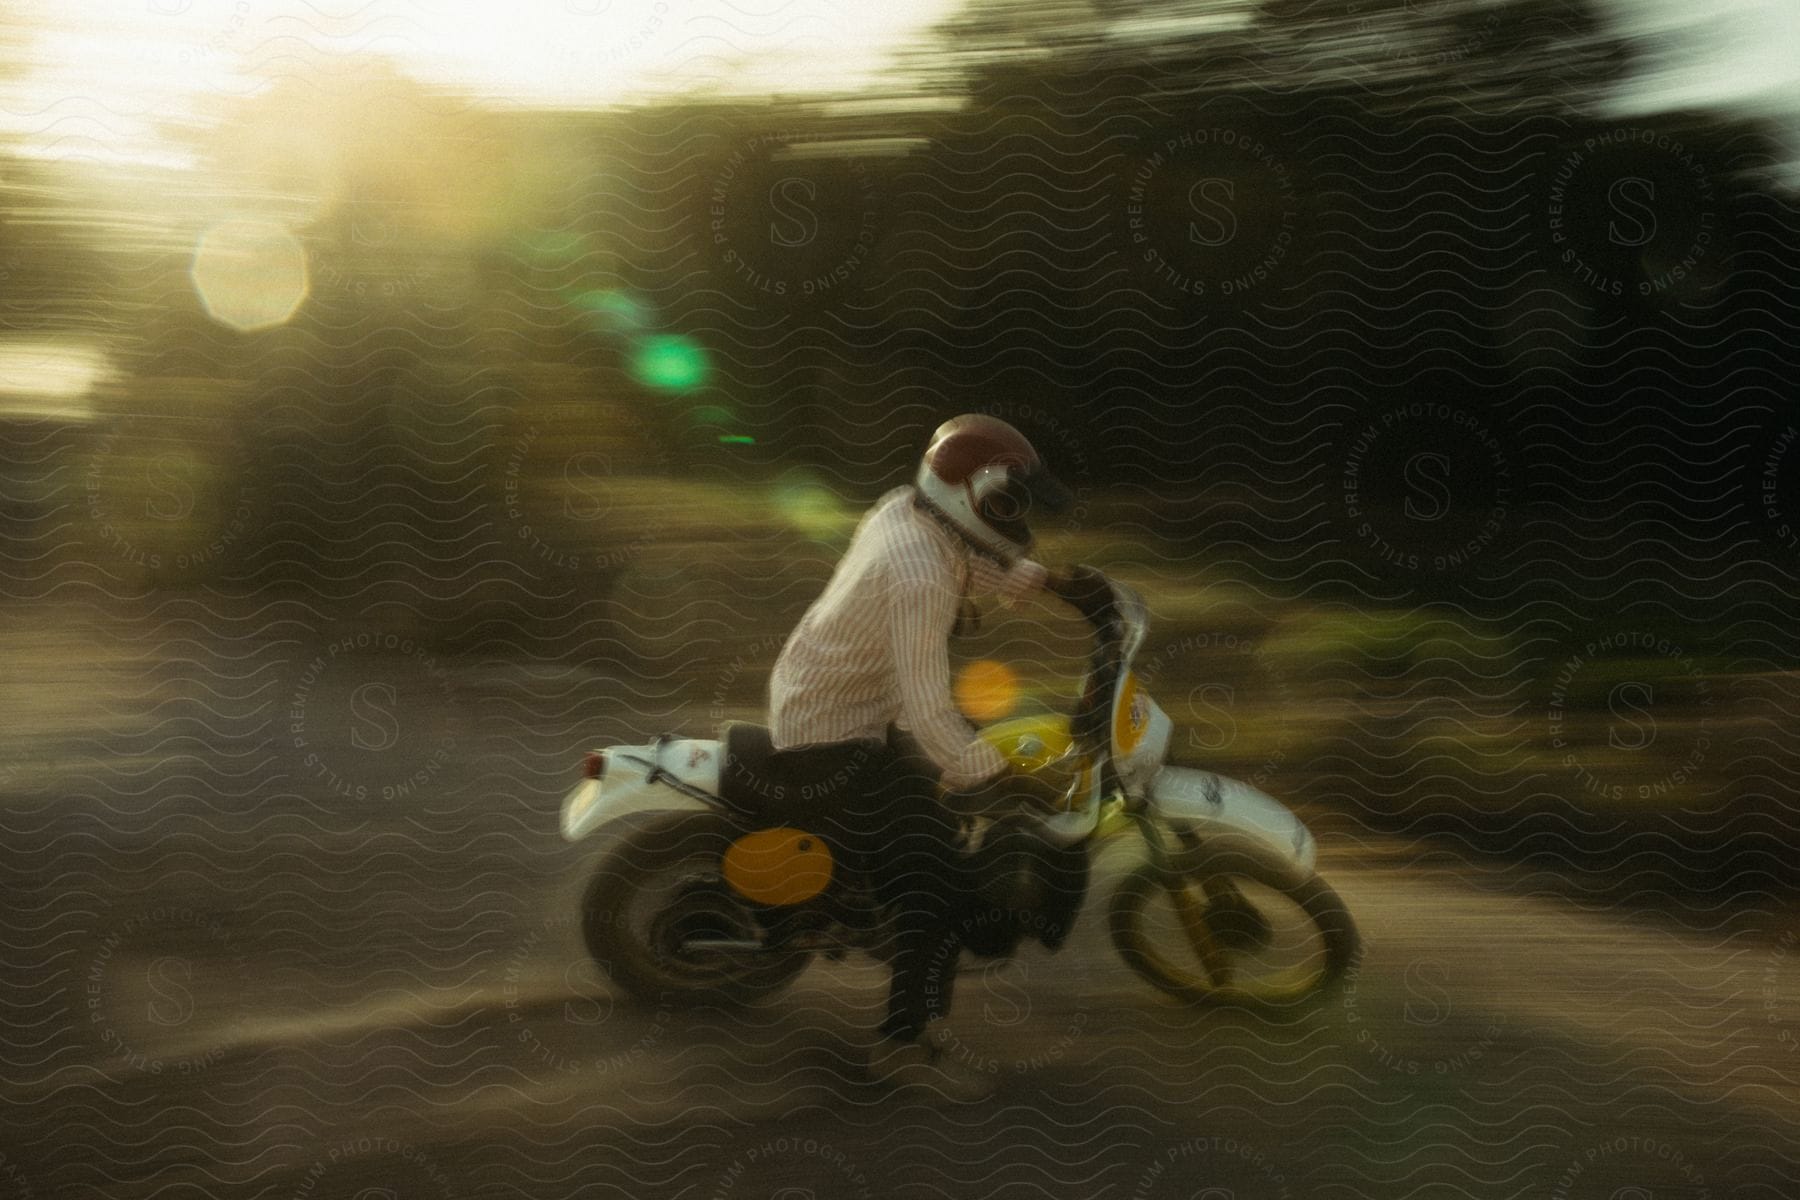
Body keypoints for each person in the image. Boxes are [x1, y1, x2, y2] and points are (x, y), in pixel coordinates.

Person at [763, 413, 1075, 1101]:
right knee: (940, 882)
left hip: (838, 696)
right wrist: (999, 778)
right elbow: (931, 715)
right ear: (970, 496)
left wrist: (1053, 585)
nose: (1014, 516)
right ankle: (902, 1047)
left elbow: (966, 558)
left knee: (952, 791)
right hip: (833, 734)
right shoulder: (917, 576)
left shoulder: (906, 509)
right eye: (1007, 503)